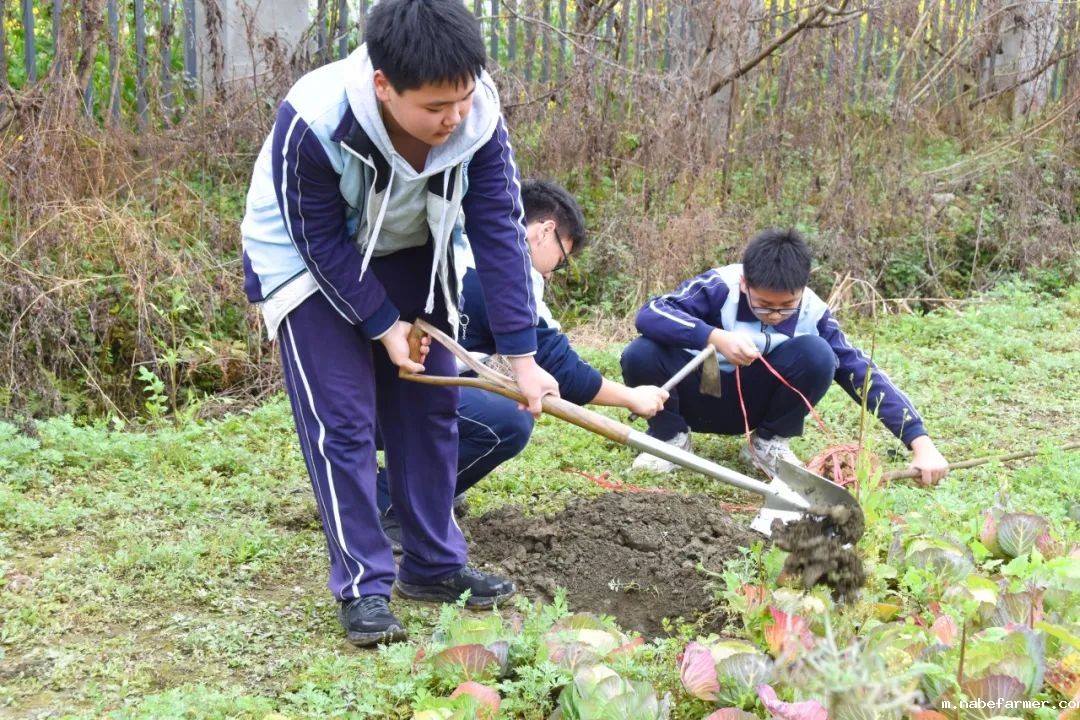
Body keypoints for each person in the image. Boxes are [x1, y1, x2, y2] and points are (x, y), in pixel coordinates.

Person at [240, 0, 559, 648]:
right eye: (436, 107)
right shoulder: (317, 118)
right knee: (345, 419)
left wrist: (523, 359)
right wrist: (382, 325)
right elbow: (319, 239)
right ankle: (363, 585)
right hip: (307, 262)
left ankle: (434, 566)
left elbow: (498, 225)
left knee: (427, 408)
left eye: (462, 99)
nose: (453, 118)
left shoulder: (479, 115)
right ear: (384, 86)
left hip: (413, 244)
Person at [375, 180, 669, 547]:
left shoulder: (470, 245)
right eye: (560, 261)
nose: (551, 274)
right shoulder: (497, 275)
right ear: (545, 232)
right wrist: (631, 397)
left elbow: (544, 348)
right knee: (506, 420)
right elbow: (560, 369)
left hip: (386, 392)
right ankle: (387, 501)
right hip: (382, 400)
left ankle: (427, 485)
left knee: (486, 398)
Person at [620, 228, 949, 486]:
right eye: (764, 305)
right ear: (745, 282)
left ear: (803, 289)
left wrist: (920, 442)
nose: (775, 315)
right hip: (697, 394)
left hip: (753, 405)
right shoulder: (718, 287)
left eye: (786, 306)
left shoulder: (813, 311)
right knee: (640, 353)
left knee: (819, 354)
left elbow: (859, 371)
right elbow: (650, 313)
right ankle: (670, 440)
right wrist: (714, 337)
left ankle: (766, 444)